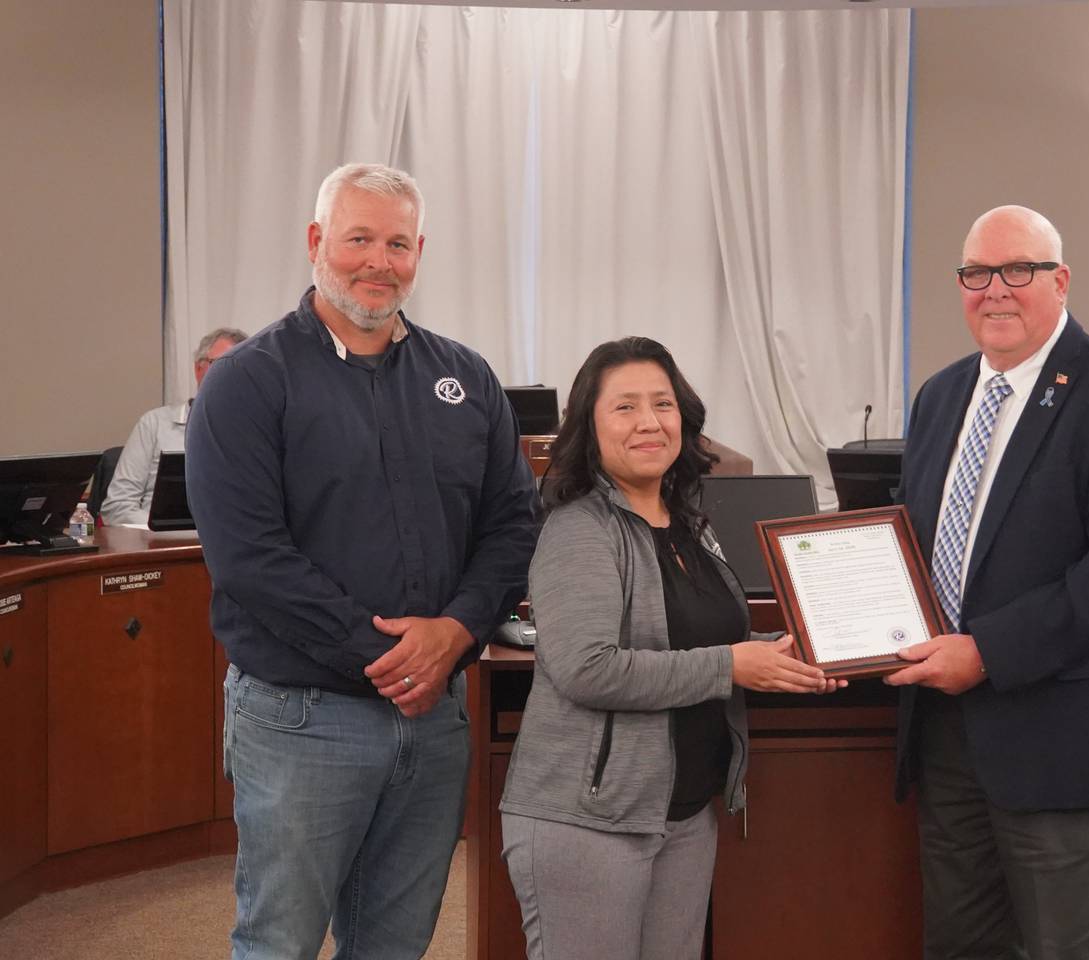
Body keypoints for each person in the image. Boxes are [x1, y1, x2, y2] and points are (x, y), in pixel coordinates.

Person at [186, 162, 539, 959]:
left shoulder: (465, 378)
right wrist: (394, 657)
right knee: (279, 942)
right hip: (301, 719)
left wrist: (456, 632)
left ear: (419, 253)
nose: (379, 262)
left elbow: (514, 522)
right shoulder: (246, 383)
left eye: (398, 244)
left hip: (436, 717)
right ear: (317, 241)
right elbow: (249, 558)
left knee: (395, 944)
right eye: (358, 240)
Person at [885, 205, 1089, 960]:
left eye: (1017, 269)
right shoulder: (940, 396)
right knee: (961, 945)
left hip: (1066, 738)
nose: (995, 289)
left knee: (1072, 947)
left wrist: (985, 651)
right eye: (976, 273)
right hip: (948, 735)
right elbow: (916, 544)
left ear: (1060, 280)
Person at [499, 336, 839, 960]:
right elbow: (586, 669)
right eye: (625, 407)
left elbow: (698, 639)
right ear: (589, 427)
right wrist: (732, 666)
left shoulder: (689, 525)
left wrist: (787, 653)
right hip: (590, 819)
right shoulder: (578, 529)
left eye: (663, 404)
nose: (649, 422)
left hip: (683, 813)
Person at [100, 328, 247, 526]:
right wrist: (164, 528)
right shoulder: (154, 424)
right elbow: (117, 507)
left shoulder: (256, 432)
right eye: (222, 364)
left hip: (230, 540)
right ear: (198, 369)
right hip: (159, 540)